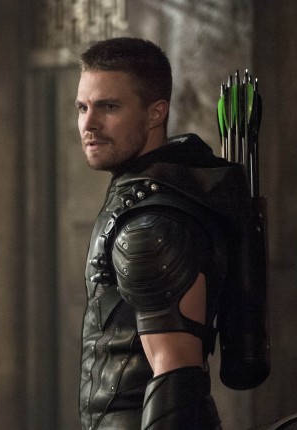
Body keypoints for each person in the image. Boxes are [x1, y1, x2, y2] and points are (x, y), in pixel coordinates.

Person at [76, 38, 251, 429]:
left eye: (109, 106)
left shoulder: (153, 225)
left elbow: (176, 374)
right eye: (83, 107)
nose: (89, 124)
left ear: (156, 113)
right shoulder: (154, 196)